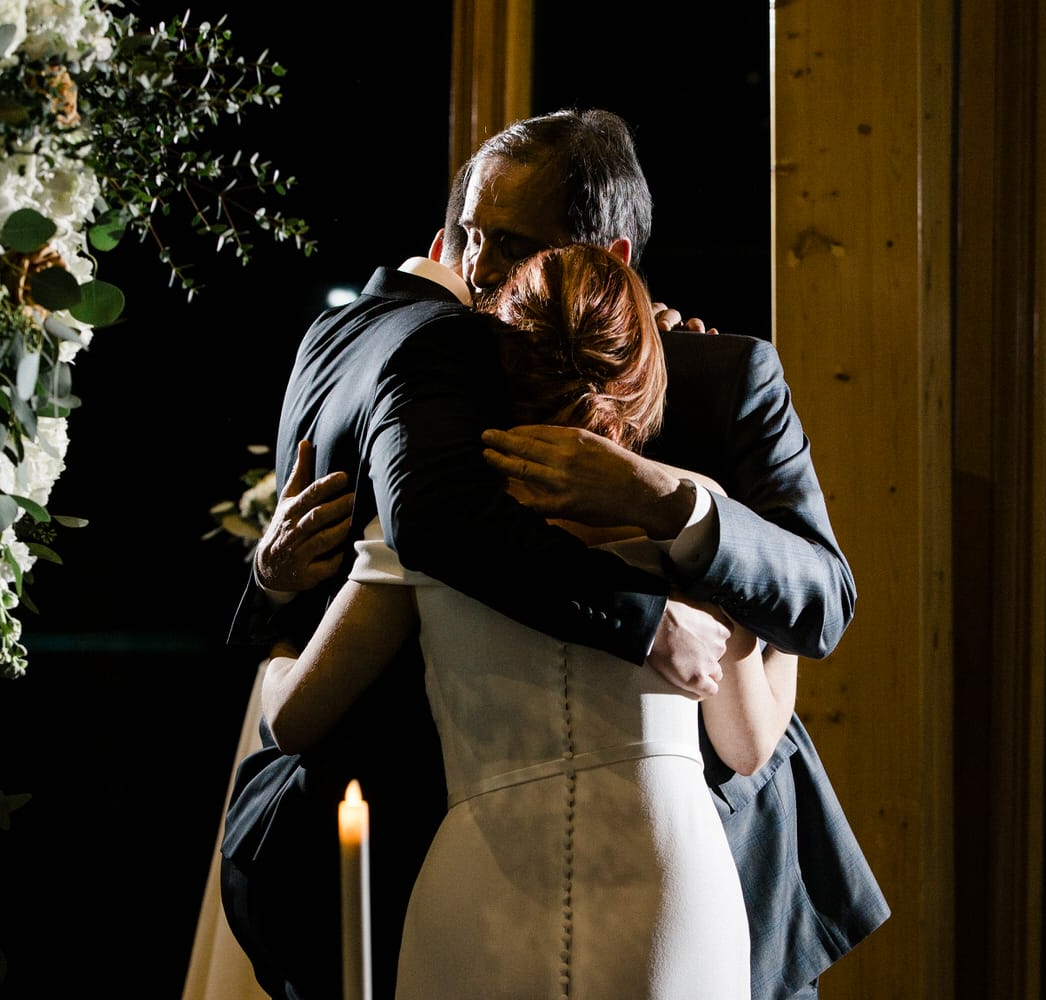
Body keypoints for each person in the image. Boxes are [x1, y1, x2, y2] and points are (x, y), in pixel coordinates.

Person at [224, 108, 885, 1000]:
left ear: (609, 259)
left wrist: (674, 504)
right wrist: (270, 577)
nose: (478, 269)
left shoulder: (717, 383)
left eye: (512, 245)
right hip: (433, 841)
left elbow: (822, 596)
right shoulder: (432, 392)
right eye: (468, 236)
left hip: (685, 863)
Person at [261, 243, 797, 998]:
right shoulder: (689, 510)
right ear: (644, 369)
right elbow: (748, 743)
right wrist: (778, 617)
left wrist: (275, 646)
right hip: (669, 889)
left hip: (480, 884)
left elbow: (291, 719)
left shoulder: (435, 522)